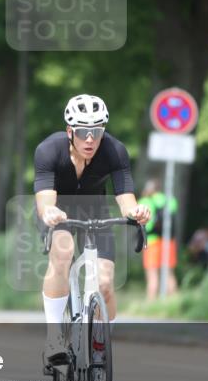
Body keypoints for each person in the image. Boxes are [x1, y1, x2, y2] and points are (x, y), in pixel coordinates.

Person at [34, 94, 150, 366]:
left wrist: (136, 212)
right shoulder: (48, 150)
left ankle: (100, 345)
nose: (90, 139)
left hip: (95, 212)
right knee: (63, 253)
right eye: (83, 132)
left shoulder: (115, 151)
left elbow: (126, 199)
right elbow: (45, 200)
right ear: (69, 131)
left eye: (96, 132)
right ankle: (54, 339)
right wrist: (50, 212)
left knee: (106, 283)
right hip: (58, 211)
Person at [139, 178, 179, 300]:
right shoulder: (170, 200)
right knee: (169, 273)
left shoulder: (145, 201)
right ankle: (173, 302)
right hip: (168, 241)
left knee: (152, 275)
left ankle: (151, 303)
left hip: (152, 241)